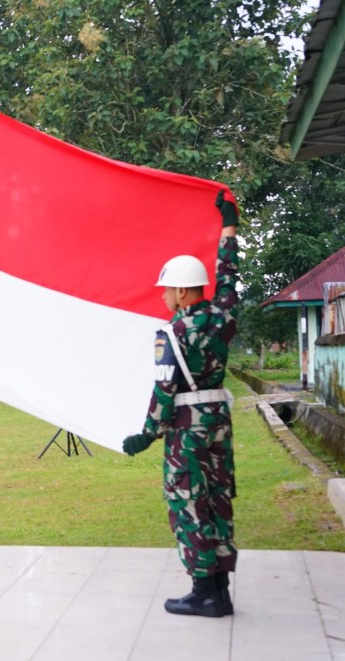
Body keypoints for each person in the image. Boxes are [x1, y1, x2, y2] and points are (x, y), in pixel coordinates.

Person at [123, 190, 240, 618]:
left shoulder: (170, 334)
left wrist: (146, 435)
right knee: (218, 499)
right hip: (219, 423)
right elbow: (227, 277)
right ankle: (222, 589)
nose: (162, 297)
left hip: (186, 429)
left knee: (189, 506)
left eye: (165, 290)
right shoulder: (223, 316)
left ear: (179, 290)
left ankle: (203, 593)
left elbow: (164, 392)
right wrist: (230, 227)